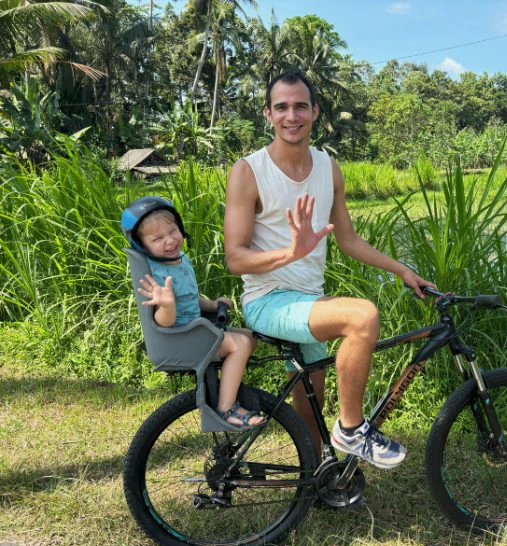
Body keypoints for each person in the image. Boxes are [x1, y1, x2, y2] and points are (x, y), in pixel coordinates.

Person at [224, 69, 434, 468]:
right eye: (281, 107)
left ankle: (318, 468)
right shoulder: (248, 171)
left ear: (315, 111)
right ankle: (352, 429)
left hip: (308, 301)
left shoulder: (328, 168)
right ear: (268, 114)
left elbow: (348, 240)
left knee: (311, 403)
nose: (291, 115)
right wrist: (291, 250)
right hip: (267, 301)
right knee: (361, 316)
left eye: (300, 106)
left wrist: (401, 269)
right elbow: (235, 259)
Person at [122, 196, 263, 428]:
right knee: (240, 345)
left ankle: (224, 389)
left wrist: (211, 304)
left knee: (250, 338)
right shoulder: (157, 276)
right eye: (157, 238)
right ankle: (226, 408)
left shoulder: (178, 261)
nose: (169, 240)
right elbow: (163, 323)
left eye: (172, 230)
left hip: (194, 330)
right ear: (141, 245)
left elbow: (189, 297)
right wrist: (166, 305)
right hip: (179, 338)